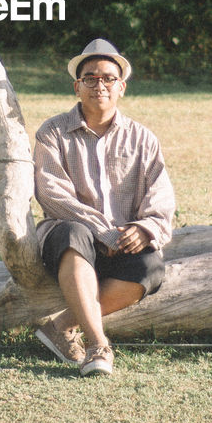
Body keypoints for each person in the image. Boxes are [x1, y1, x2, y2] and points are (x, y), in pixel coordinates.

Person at [32, 38, 176, 376]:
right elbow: (53, 193)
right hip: (67, 237)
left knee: (151, 267)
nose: (100, 85)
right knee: (74, 234)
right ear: (77, 86)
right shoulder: (51, 132)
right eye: (91, 78)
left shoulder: (142, 138)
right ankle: (98, 346)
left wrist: (145, 229)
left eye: (108, 78)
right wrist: (103, 232)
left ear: (121, 87)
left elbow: (161, 195)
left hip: (122, 242)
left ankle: (63, 325)